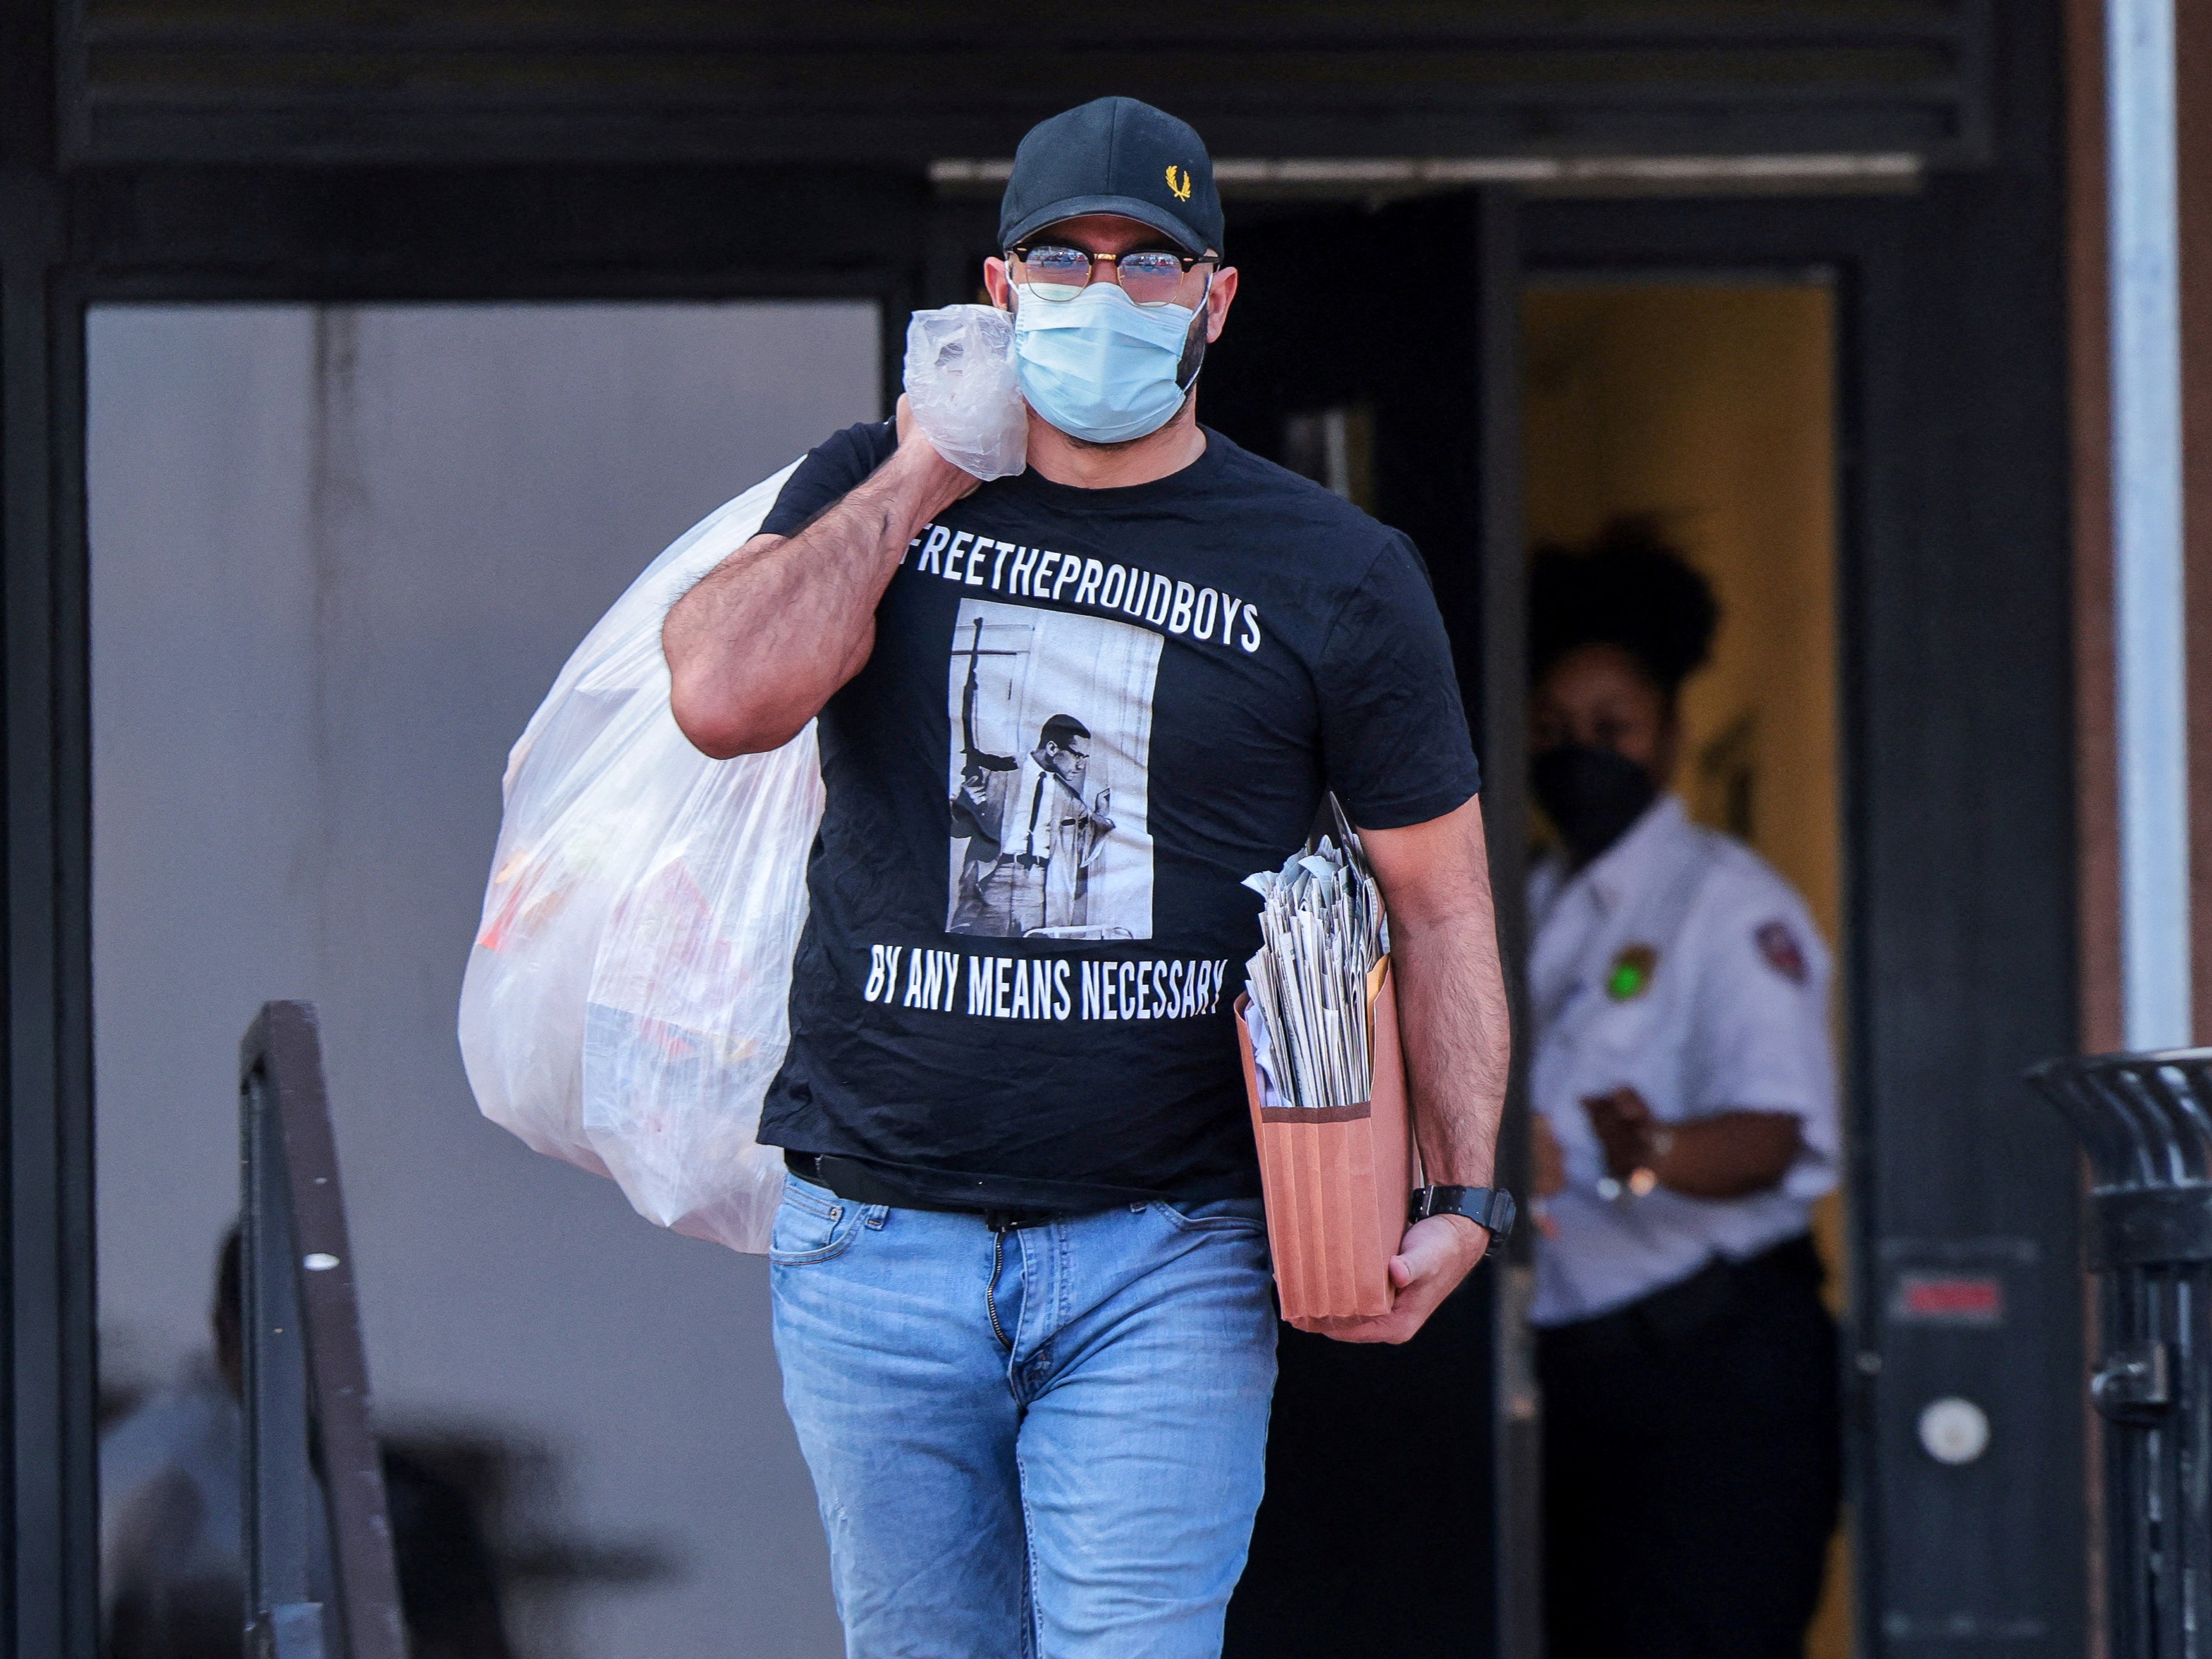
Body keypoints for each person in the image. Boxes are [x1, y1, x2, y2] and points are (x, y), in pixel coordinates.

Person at [662, 96, 1516, 1659]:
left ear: (1217, 299)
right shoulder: (870, 487)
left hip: (1167, 1249)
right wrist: (927, 466)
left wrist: (1462, 1191)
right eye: (1067, 257)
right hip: (874, 1240)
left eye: (1151, 264)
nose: (1107, 292)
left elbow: (1443, 902)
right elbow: (724, 696)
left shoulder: (1334, 571)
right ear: (1000, 289)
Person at [1523, 519, 1842, 1659]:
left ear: (1669, 739)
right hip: (1570, 1387)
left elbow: (1773, 1134)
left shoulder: (1727, 905)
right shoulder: (1532, 904)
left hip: (1712, 1390)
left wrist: (1637, 1149)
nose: (1582, 753)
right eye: (1555, 730)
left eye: (1613, 729)